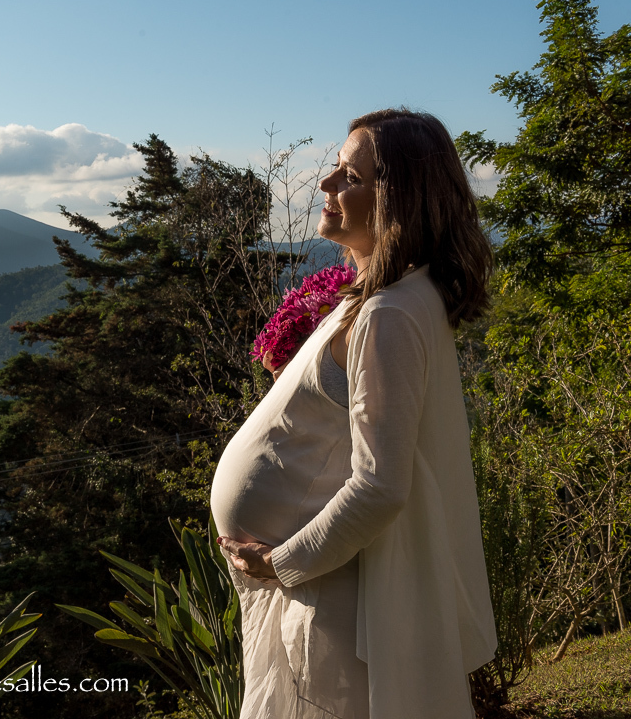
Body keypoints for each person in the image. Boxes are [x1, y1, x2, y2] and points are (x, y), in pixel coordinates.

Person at [209, 109, 498, 719]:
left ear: (398, 198)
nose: (326, 185)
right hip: (322, 590)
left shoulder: (389, 314)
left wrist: (277, 562)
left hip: (328, 602)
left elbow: (379, 486)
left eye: (349, 175)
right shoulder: (388, 298)